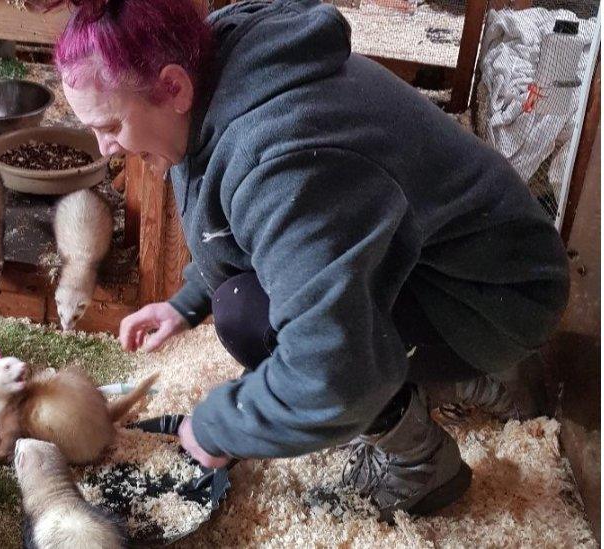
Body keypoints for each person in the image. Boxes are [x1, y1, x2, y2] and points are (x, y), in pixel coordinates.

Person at [37, 0, 570, 521]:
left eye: (110, 125)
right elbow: (242, 224)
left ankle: (423, 463)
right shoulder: (217, 68)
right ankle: (452, 380)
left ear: (173, 86)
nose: (105, 148)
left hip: (496, 297)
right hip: (450, 257)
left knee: (251, 319)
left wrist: (217, 425)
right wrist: (186, 302)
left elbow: (332, 372)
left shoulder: (277, 153)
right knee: (242, 300)